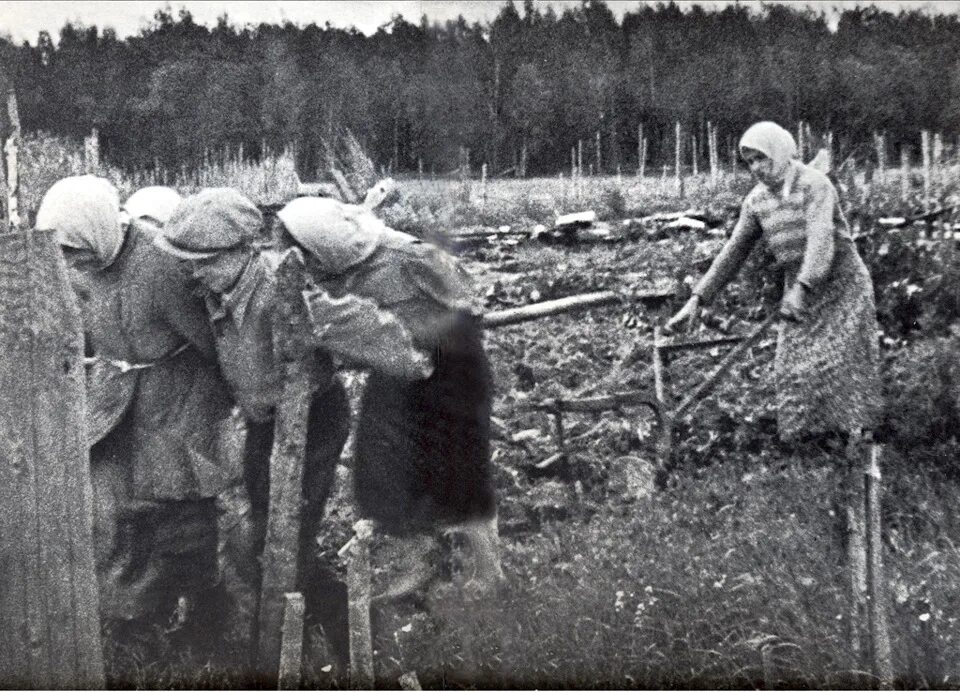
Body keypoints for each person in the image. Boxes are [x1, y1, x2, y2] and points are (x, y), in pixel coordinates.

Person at [153, 187, 434, 664]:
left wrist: (415, 362)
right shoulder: (215, 289)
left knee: (288, 538)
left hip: (312, 421)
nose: (195, 273)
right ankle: (311, 631)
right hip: (267, 426)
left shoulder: (283, 286)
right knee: (265, 533)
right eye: (190, 263)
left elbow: (359, 326)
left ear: (241, 251)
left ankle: (325, 645)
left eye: (205, 262)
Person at [38, 175, 239, 653]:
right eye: (62, 251)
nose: (69, 262)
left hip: (176, 400)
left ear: (96, 229)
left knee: (179, 514)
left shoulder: (161, 262)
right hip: (113, 400)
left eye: (74, 249)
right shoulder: (83, 264)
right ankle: (132, 620)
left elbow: (213, 344)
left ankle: (205, 615)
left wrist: (215, 409)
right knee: (106, 512)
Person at [274, 196, 504, 599]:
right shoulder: (330, 270)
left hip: (450, 371)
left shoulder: (411, 257)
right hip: (395, 378)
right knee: (382, 471)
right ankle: (422, 563)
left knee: (459, 470)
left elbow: (469, 307)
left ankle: (489, 573)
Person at [665, 121, 883, 445]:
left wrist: (802, 289)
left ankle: (857, 441)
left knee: (839, 363)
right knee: (792, 367)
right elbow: (733, 252)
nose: (756, 168)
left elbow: (821, 242)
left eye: (761, 158)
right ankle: (810, 443)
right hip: (798, 283)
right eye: (749, 161)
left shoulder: (814, 185)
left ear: (779, 152)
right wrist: (697, 300)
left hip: (840, 283)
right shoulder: (756, 202)